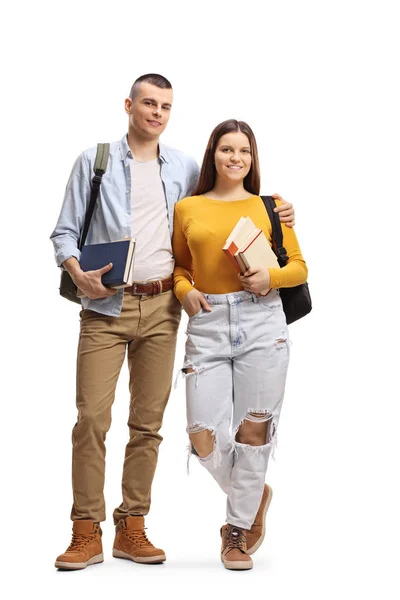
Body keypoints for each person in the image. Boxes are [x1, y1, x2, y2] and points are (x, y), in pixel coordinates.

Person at [50, 75, 295, 570]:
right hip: (104, 309)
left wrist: (278, 209)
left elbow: (220, 208)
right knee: (92, 420)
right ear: (129, 105)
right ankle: (84, 530)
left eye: (165, 105)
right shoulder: (94, 161)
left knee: (148, 425)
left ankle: (132, 525)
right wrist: (77, 272)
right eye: (148, 103)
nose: (156, 112)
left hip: (163, 310)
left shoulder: (183, 167)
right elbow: (64, 233)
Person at [172, 119, 308, 570]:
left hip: (261, 319)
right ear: (213, 154)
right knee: (202, 435)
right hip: (207, 321)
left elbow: (300, 269)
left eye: (244, 151)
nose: (236, 158)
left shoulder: (271, 207)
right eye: (227, 150)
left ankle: (235, 531)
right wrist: (183, 291)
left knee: (254, 430)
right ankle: (252, 495)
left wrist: (271, 275)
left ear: (253, 158)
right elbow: (180, 268)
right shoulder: (188, 207)